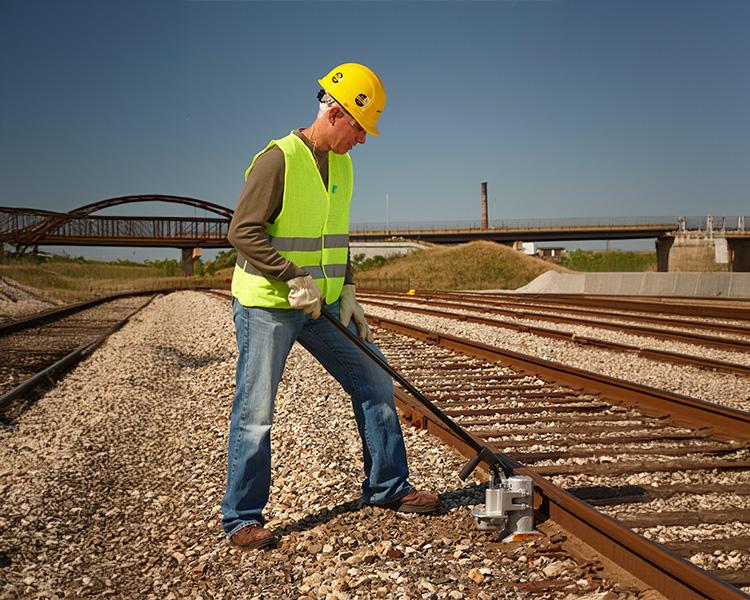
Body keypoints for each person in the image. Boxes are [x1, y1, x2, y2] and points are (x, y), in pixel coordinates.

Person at [222, 63, 439, 549]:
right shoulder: (277, 160)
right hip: (269, 305)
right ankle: (242, 517)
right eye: (360, 128)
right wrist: (292, 276)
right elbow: (242, 232)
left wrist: (349, 289)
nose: (363, 140)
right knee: (256, 409)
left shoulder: (342, 164)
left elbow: (334, 238)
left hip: (323, 304)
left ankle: (388, 487)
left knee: (374, 377)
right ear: (336, 113)